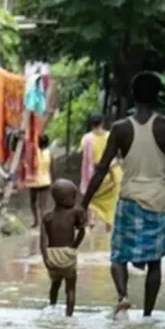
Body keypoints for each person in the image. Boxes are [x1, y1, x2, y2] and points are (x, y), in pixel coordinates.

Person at [79, 72, 165, 317]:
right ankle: (148, 315)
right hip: (158, 201)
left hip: (129, 200)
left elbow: (101, 169)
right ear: (157, 96)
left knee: (119, 256)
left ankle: (122, 296)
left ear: (133, 95)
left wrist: (83, 203)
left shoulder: (121, 129)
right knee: (154, 262)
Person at [40, 179, 87, 317]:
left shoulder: (47, 216)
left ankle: (52, 307)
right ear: (64, 199)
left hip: (51, 255)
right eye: (73, 197)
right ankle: (69, 315)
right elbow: (82, 232)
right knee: (70, 288)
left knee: (55, 284)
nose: (75, 200)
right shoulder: (74, 213)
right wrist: (74, 247)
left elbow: (43, 241)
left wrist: (45, 258)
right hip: (67, 253)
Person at [79, 112, 122, 230]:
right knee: (112, 202)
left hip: (95, 174)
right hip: (113, 173)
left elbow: (83, 155)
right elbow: (117, 153)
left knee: (93, 199)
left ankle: (92, 220)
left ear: (91, 124)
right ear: (102, 123)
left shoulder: (87, 138)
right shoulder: (110, 135)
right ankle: (109, 226)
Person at [27, 134, 53, 228]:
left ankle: (36, 221)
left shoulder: (33, 153)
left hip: (34, 181)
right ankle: (43, 223)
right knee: (43, 205)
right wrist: (52, 180)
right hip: (46, 181)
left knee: (33, 202)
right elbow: (51, 168)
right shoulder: (49, 153)